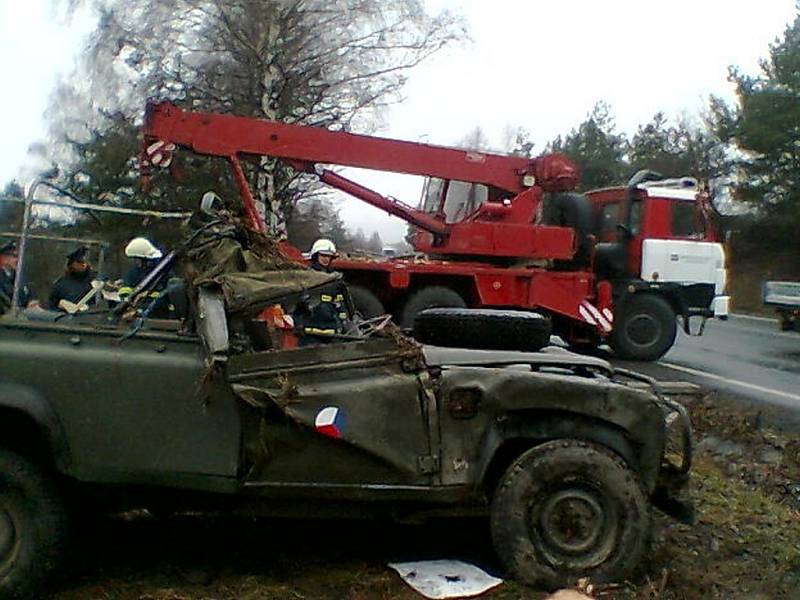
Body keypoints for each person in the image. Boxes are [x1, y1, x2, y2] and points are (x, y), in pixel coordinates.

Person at [295, 239, 350, 345]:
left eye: (328, 256)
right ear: (316, 256)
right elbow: (296, 306)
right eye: (323, 255)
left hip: (331, 333)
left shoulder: (334, 279)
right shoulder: (307, 277)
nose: (326, 259)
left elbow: (340, 304)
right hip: (310, 333)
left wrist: (344, 321)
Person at [119, 237, 172, 317]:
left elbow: (163, 297)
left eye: (137, 259)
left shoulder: (163, 273)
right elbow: (125, 291)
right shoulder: (133, 273)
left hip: (158, 315)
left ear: (145, 259)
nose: (136, 262)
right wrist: (127, 303)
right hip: (133, 313)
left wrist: (144, 298)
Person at [49, 246, 95, 311]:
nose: (83, 265)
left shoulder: (93, 283)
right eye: (79, 262)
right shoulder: (61, 284)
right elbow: (53, 305)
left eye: (84, 262)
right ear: (72, 264)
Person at [0, 241, 36, 313]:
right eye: (14, 256)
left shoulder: (19, 277)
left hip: (24, 315)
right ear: (3, 258)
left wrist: (31, 302)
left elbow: (28, 295)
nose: (17, 260)